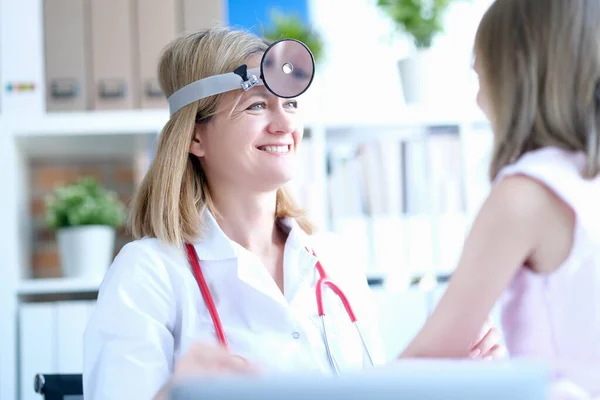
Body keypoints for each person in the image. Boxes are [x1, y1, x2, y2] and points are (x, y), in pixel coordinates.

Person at [82, 26, 503, 400]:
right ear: (195, 137)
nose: (285, 124)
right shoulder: (149, 273)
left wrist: (448, 378)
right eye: (256, 106)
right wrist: (175, 394)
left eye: (291, 104)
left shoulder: (333, 260)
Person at [399, 0, 600, 398]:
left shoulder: (527, 192)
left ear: (516, 68)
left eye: (480, 74)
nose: (478, 99)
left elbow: (429, 357)